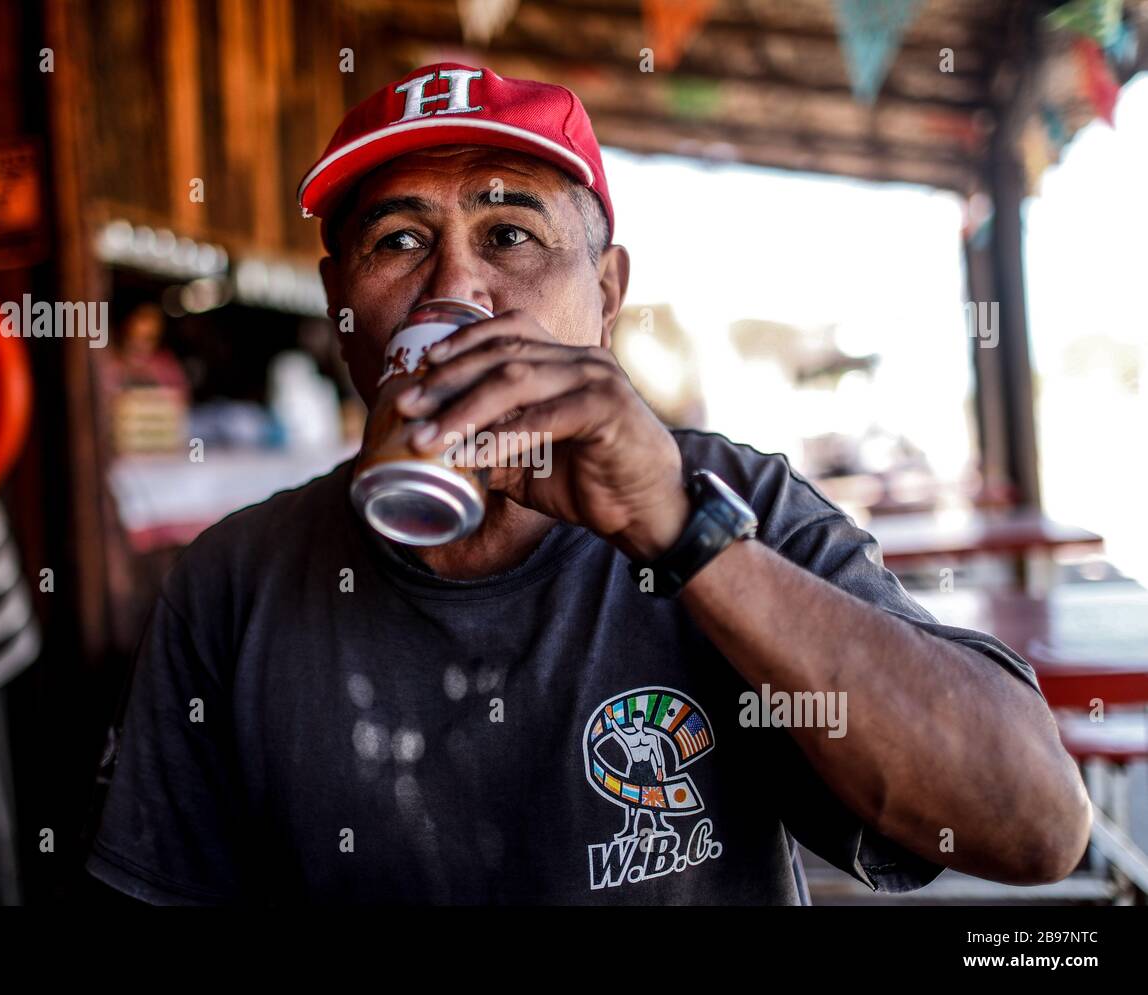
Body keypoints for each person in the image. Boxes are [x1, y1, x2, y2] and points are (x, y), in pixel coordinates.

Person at [83, 62, 1091, 905]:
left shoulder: (730, 499)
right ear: (338, 304)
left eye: (510, 235)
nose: (453, 289)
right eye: (397, 242)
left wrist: (685, 536)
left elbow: (1036, 825)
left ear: (604, 294)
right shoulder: (232, 581)